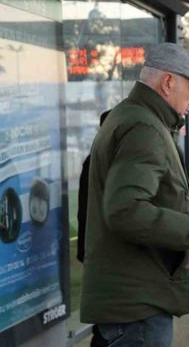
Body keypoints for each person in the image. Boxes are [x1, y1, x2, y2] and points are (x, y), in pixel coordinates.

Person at [80, 43, 189, 347]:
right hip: (138, 307)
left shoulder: (130, 117)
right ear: (169, 82)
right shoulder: (145, 127)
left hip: (130, 302)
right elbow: (125, 210)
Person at [76, 109, 110, 347]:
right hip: (103, 250)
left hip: (93, 247)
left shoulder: (93, 159)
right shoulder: (104, 162)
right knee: (107, 322)